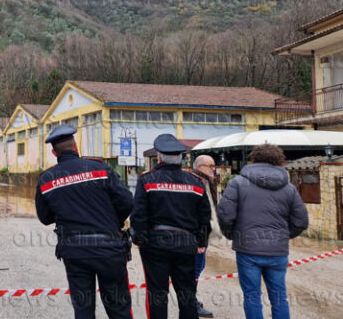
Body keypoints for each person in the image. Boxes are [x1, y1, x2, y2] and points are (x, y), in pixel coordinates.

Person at [35, 125, 134, 319]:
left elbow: (45, 218)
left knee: (83, 310)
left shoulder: (46, 179)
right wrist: (113, 222)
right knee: (119, 308)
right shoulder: (101, 169)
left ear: (54, 152)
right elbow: (127, 201)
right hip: (110, 248)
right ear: (76, 146)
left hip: (74, 251)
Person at [217, 144, 308, 319]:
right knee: (279, 297)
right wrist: (282, 236)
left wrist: (232, 234)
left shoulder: (237, 183)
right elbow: (301, 221)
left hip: (247, 250)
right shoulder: (289, 188)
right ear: (279, 160)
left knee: (252, 297)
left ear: (253, 159)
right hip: (277, 251)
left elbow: (225, 214)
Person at [131, 134, 210, 319]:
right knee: (187, 294)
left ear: (159, 157)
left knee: (158, 295)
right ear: (181, 158)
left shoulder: (147, 180)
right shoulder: (195, 182)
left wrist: (141, 240)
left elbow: (138, 214)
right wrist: (201, 241)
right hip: (186, 244)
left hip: (155, 244)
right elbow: (204, 217)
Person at [190, 155, 217, 318]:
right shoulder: (199, 183)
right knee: (195, 269)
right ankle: (191, 302)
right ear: (200, 167)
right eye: (210, 165)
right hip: (197, 236)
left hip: (202, 234)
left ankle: (191, 299)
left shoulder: (207, 182)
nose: (214, 168)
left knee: (198, 267)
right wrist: (201, 240)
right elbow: (200, 214)